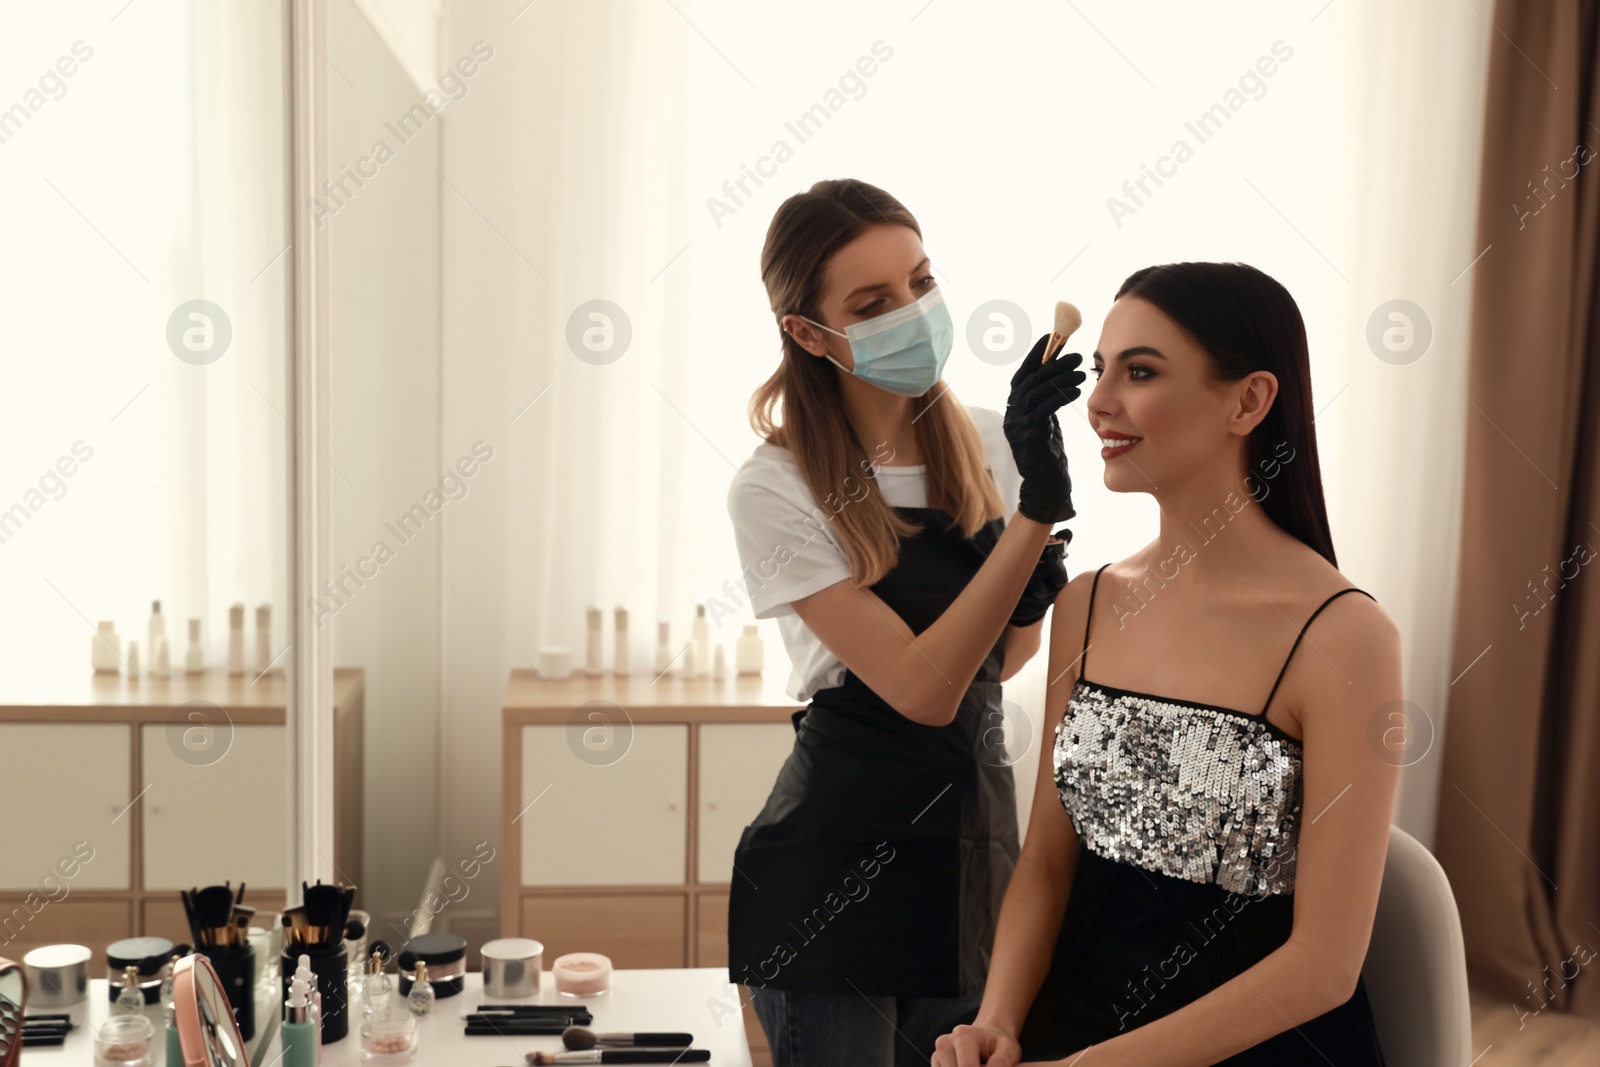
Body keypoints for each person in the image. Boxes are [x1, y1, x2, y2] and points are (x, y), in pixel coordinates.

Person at [931, 262, 1401, 1066]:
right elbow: (1046, 861)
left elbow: (1323, 966)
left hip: (1254, 1043)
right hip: (1072, 1021)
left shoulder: (1344, 635)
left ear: (1249, 401)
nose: (1099, 402)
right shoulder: (1086, 603)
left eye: (1140, 371)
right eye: (1101, 368)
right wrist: (997, 1022)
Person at [723, 178, 1086, 1067]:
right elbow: (923, 691)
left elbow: (998, 667)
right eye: (873, 302)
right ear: (809, 334)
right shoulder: (777, 487)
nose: (914, 311)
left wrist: (1031, 591)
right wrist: (1035, 515)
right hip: (835, 862)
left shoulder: (992, 442)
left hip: (969, 845)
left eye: (920, 282)